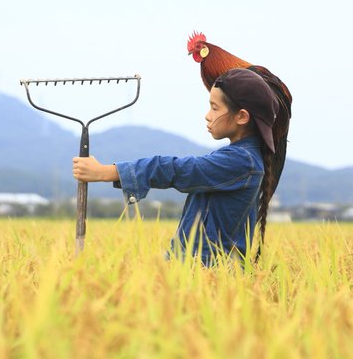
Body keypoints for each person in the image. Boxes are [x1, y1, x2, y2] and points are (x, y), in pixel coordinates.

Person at [72, 68, 279, 268]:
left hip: (209, 273)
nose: (207, 115)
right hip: (193, 267)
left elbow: (178, 170)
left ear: (242, 117)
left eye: (215, 108)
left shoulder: (241, 161)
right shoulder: (238, 157)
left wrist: (107, 172)